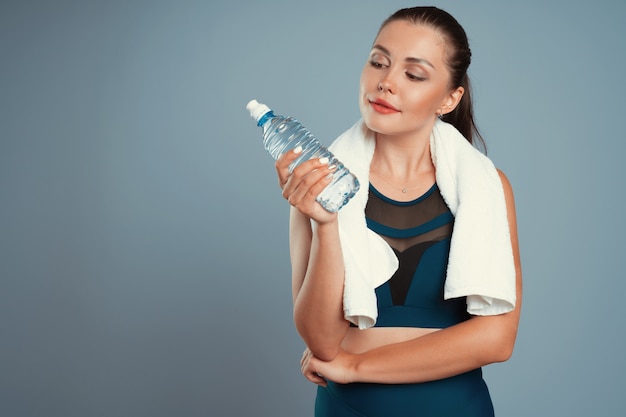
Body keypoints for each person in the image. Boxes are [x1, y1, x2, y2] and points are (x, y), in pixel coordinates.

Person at [275, 6, 522, 417]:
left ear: (449, 98)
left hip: (455, 407)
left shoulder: (488, 188)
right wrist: (327, 225)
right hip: (348, 408)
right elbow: (321, 340)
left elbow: (497, 338)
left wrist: (355, 366)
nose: (386, 82)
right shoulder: (317, 183)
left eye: (414, 74)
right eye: (378, 62)